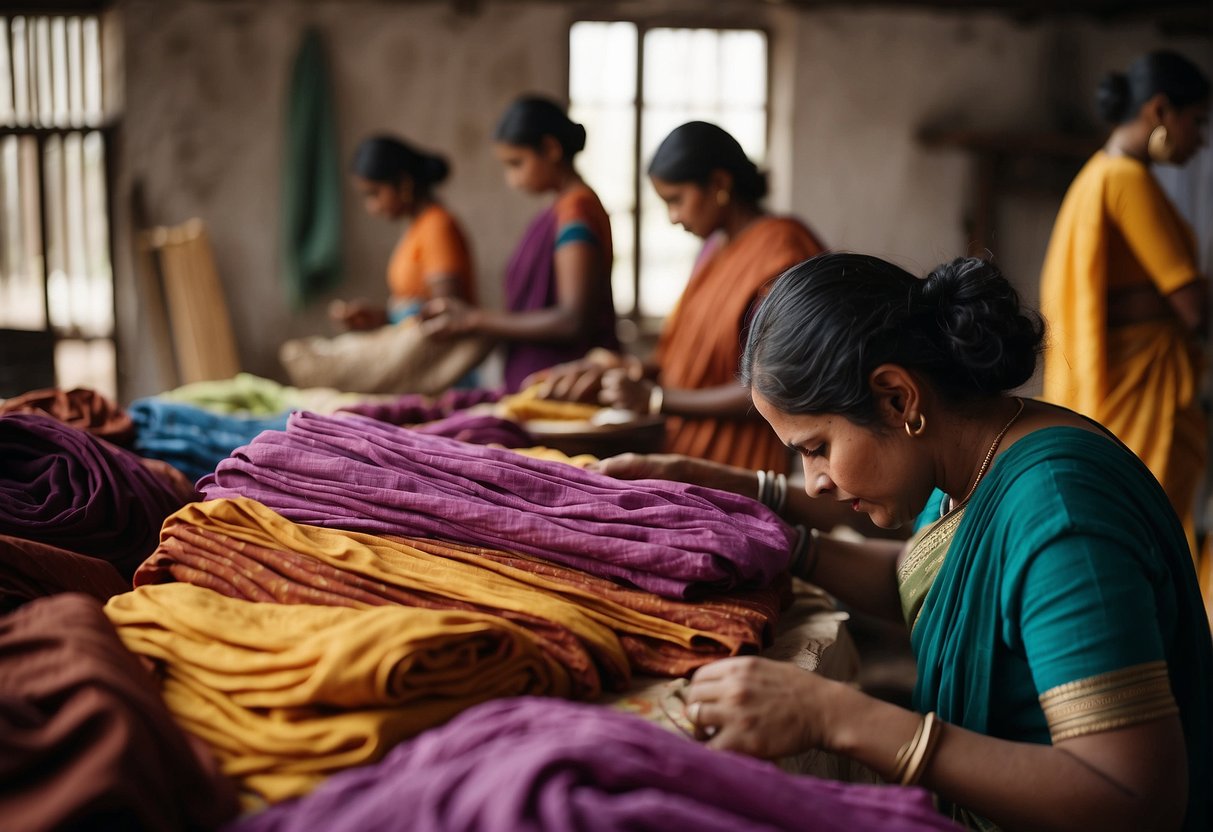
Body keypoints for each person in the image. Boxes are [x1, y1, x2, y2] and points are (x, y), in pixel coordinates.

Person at [678, 253, 1211, 831]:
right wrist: (775, 532)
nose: (815, 482)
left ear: (898, 399)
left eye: (815, 448)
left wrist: (834, 716)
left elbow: (1134, 796)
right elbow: (916, 579)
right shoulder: (973, 460)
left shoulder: (1062, 514)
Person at [530, 121, 825, 473]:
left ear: (719, 184)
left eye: (676, 200)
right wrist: (622, 368)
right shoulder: (714, 249)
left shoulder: (782, 249)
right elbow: (688, 360)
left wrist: (657, 399)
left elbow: (778, 383)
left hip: (742, 460)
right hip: (684, 445)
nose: (673, 217)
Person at [1040, 51, 1210, 559]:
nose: (1201, 140)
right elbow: (1193, 306)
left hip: (1117, 387)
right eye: (1197, 122)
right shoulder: (1128, 181)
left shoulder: (1097, 172)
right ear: (1160, 111)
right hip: (1143, 391)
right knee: (1147, 531)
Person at [421, 95, 618, 392]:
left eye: (516, 163)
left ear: (551, 149)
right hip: (538, 379)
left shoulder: (576, 215)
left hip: (563, 385)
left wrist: (474, 319)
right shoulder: (561, 210)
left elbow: (573, 320)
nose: (512, 179)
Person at [331, 135, 476, 331]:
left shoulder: (437, 226)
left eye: (374, 193)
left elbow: (444, 314)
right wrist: (381, 317)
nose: (371, 207)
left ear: (404, 184)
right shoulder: (417, 227)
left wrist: (397, 316)